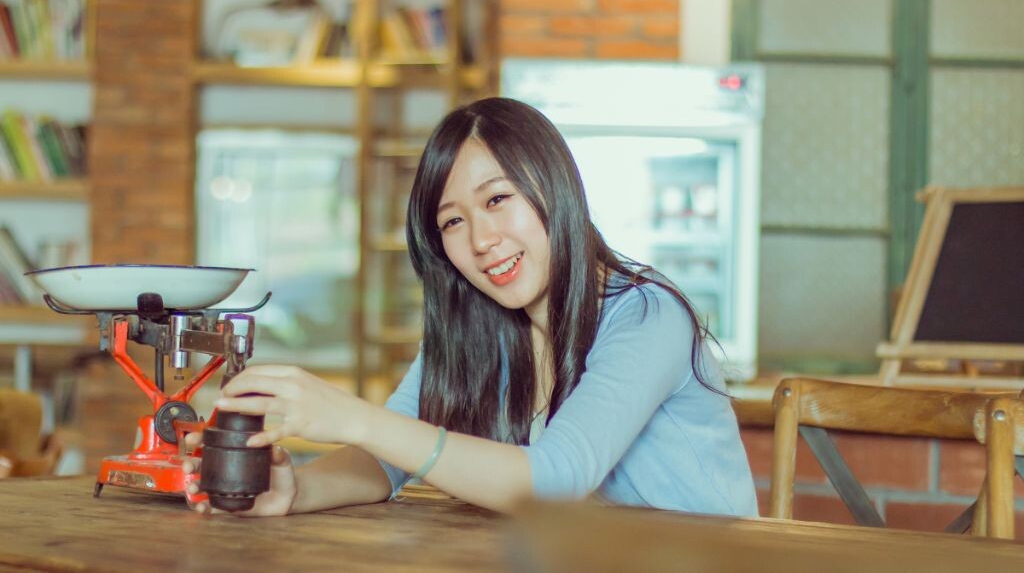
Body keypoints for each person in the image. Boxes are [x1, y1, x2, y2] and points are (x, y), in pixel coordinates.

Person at [184, 97, 757, 517]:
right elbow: (386, 460)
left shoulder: (645, 315)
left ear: (554, 188)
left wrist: (355, 414)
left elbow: (554, 480)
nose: (482, 239)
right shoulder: (477, 331)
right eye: (453, 221)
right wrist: (297, 490)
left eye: (498, 199)